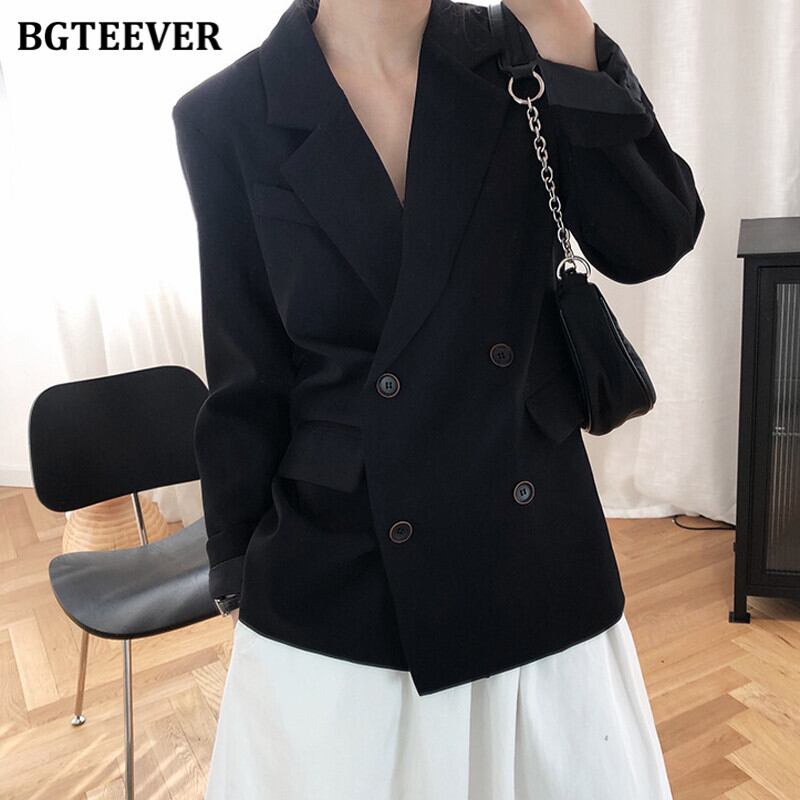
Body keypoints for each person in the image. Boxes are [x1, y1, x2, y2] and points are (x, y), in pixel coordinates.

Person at [172, 0, 704, 797]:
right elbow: (247, 370)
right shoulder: (226, 114)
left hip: (530, 548)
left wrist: (560, 23)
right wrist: (238, 563)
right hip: (339, 569)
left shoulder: (521, 54)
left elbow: (653, 237)